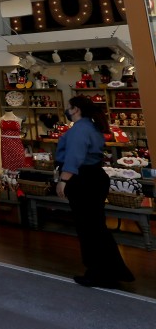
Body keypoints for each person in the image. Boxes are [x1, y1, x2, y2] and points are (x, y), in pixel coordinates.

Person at [56, 95, 135, 289]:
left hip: (83, 180)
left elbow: (74, 156)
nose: (67, 110)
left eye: (69, 107)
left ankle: (97, 272)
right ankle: (113, 270)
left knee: (88, 228)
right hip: (94, 178)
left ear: (75, 109)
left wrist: (63, 180)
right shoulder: (92, 127)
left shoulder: (79, 130)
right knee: (97, 227)